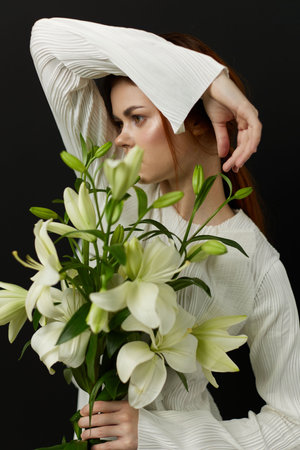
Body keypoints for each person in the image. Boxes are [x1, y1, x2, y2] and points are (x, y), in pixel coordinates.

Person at [30, 18, 300, 450]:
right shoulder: (114, 188)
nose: (120, 139)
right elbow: (47, 42)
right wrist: (210, 79)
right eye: (119, 121)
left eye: (137, 118)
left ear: (198, 123)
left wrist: (162, 436)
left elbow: (295, 423)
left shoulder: (258, 264)